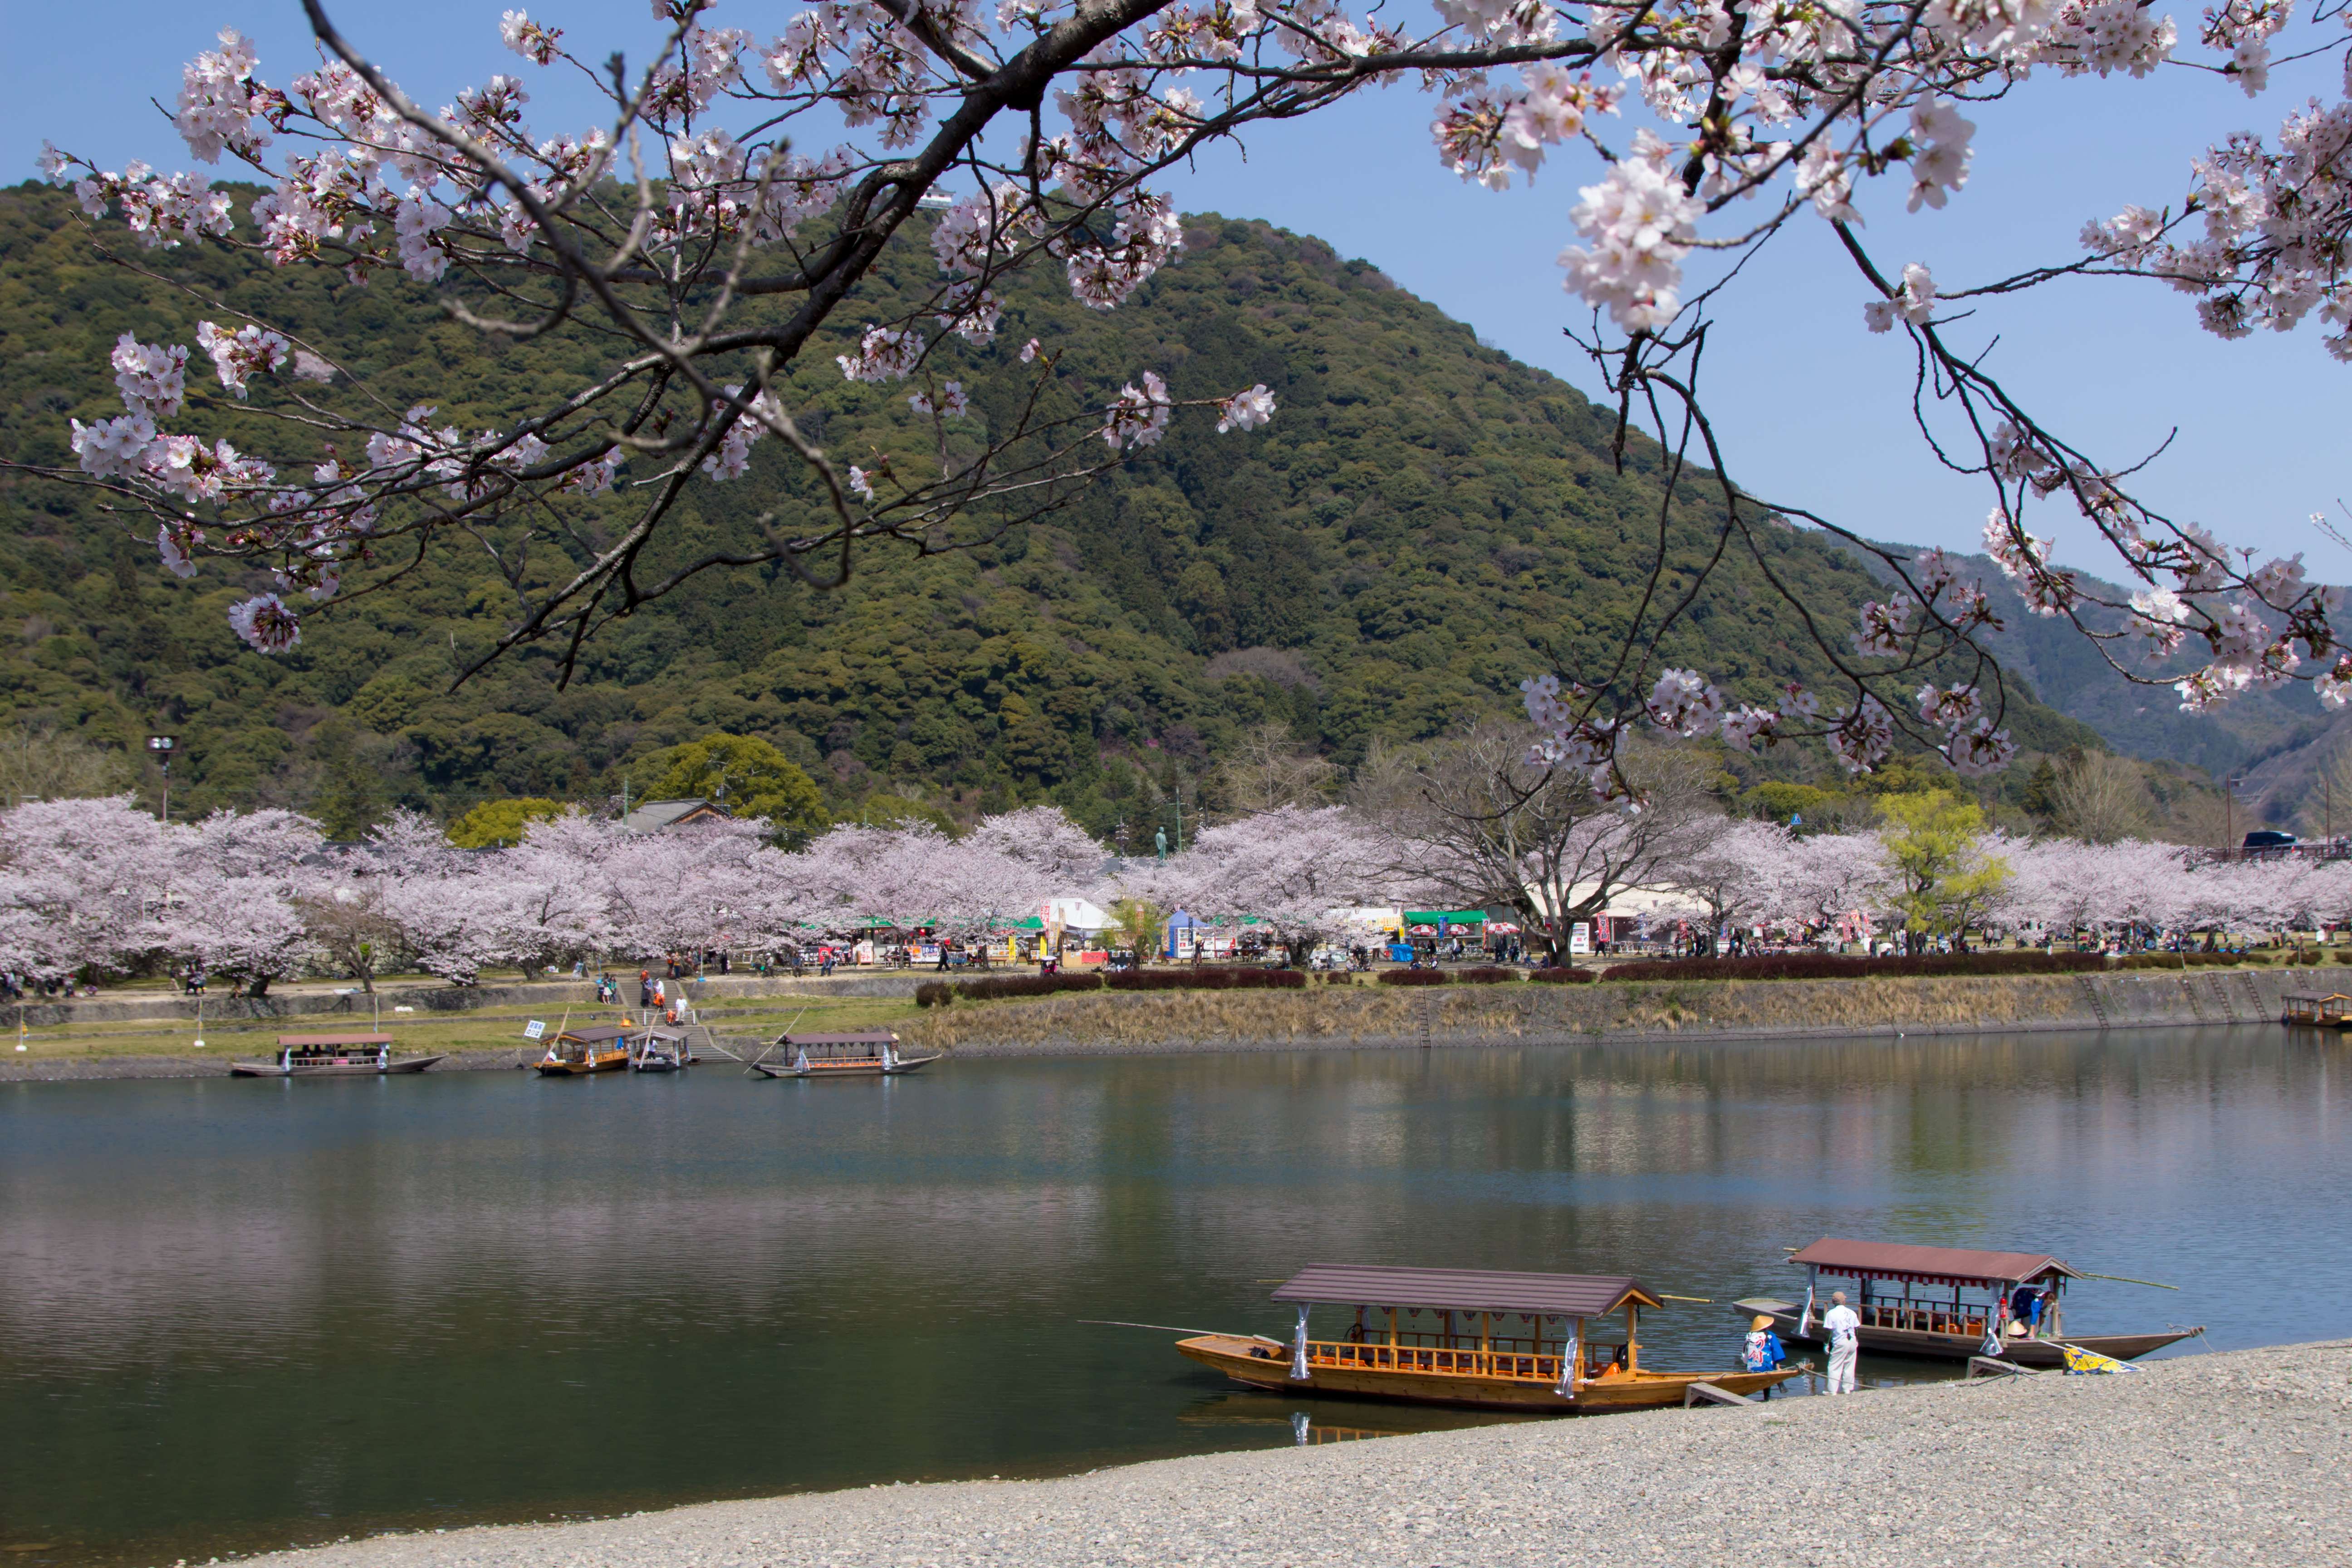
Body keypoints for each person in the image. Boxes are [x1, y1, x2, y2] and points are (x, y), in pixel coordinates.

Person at [1822, 1290, 1861, 1395]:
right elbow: (1857, 1328)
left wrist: (1826, 1344)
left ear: (1833, 1302)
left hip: (1840, 1341)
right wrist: (1857, 1340)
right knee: (1850, 1365)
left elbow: (1828, 1331)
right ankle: (1847, 1389)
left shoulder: (1831, 1314)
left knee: (1834, 1366)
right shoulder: (1852, 1312)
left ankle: (1832, 1390)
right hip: (1852, 1341)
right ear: (1843, 1301)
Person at [1741, 1314, 1788, 1397]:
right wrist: (1778, 1366)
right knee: (1771, 1368)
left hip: (1751, 1368)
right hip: (1766, 1367)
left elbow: (1745, 1353)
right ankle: (1775, 1391)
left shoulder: (1748, 1336)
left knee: (1765, 1363)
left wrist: (1747, 1366)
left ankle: (1778, 1388)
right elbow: (1776, 1351)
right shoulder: (1770, 1335)